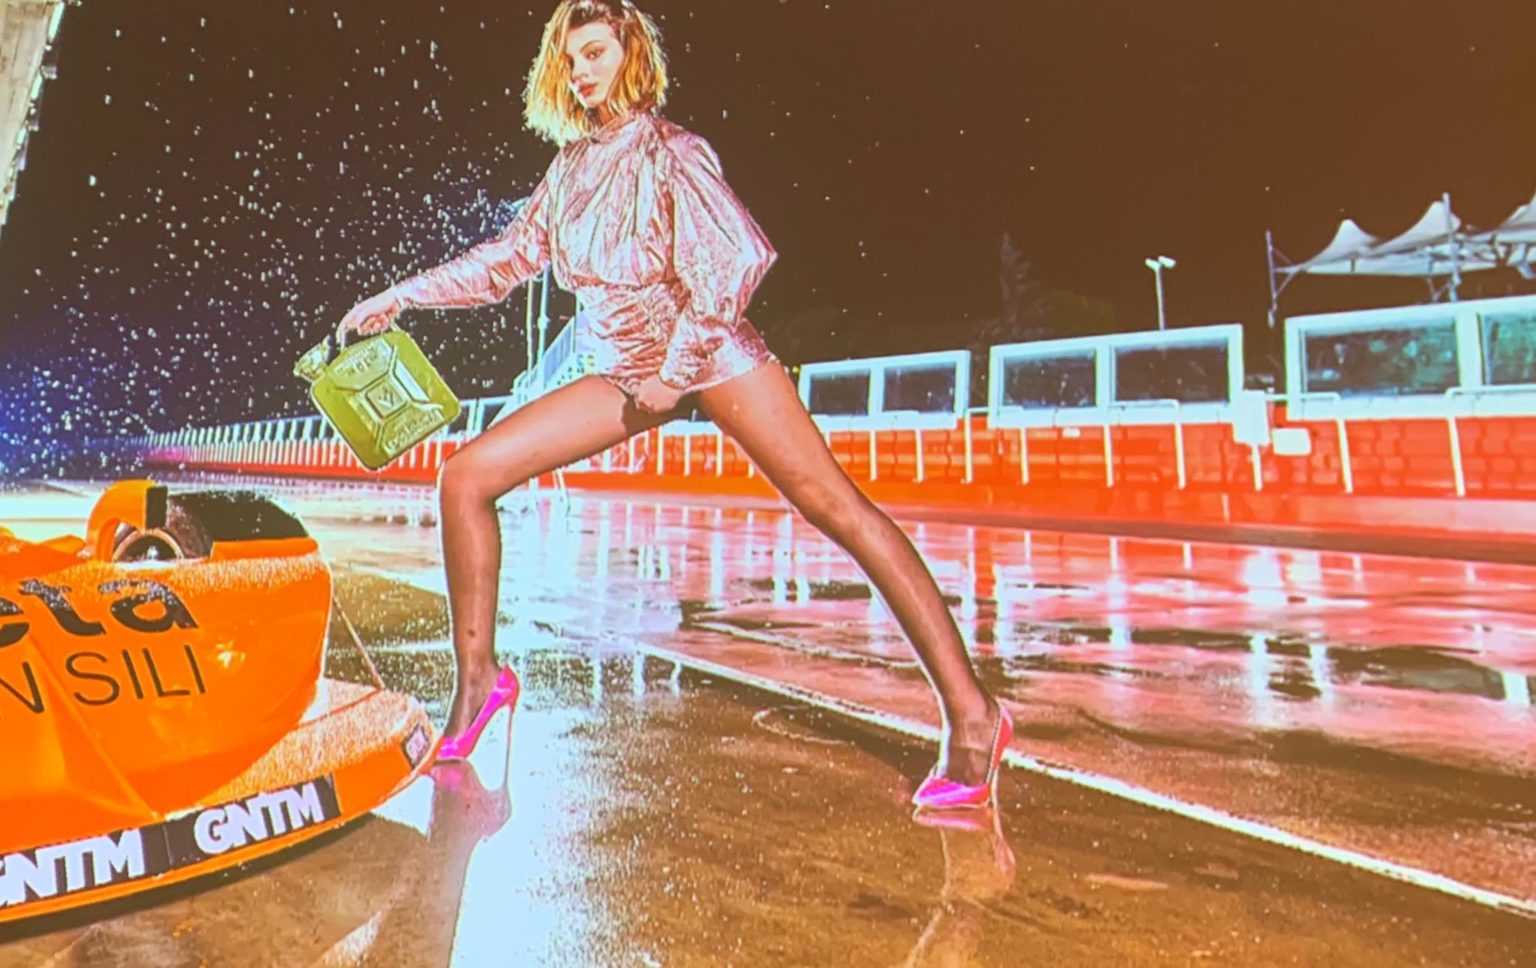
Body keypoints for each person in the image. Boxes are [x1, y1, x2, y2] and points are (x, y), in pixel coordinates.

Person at [337, 0, 1009, 808]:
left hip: (710, 351)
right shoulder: (570, 170)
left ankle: (975, 716)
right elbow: (505, 261)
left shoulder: (673, 152)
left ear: (630, 55)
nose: (582, 73)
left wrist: (678, 369)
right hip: (624, 369)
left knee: (836, 506)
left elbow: (736, 261)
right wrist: (400, 297)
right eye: (570, 60)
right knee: (466, 477)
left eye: (596, 53)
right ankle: (479, 684)